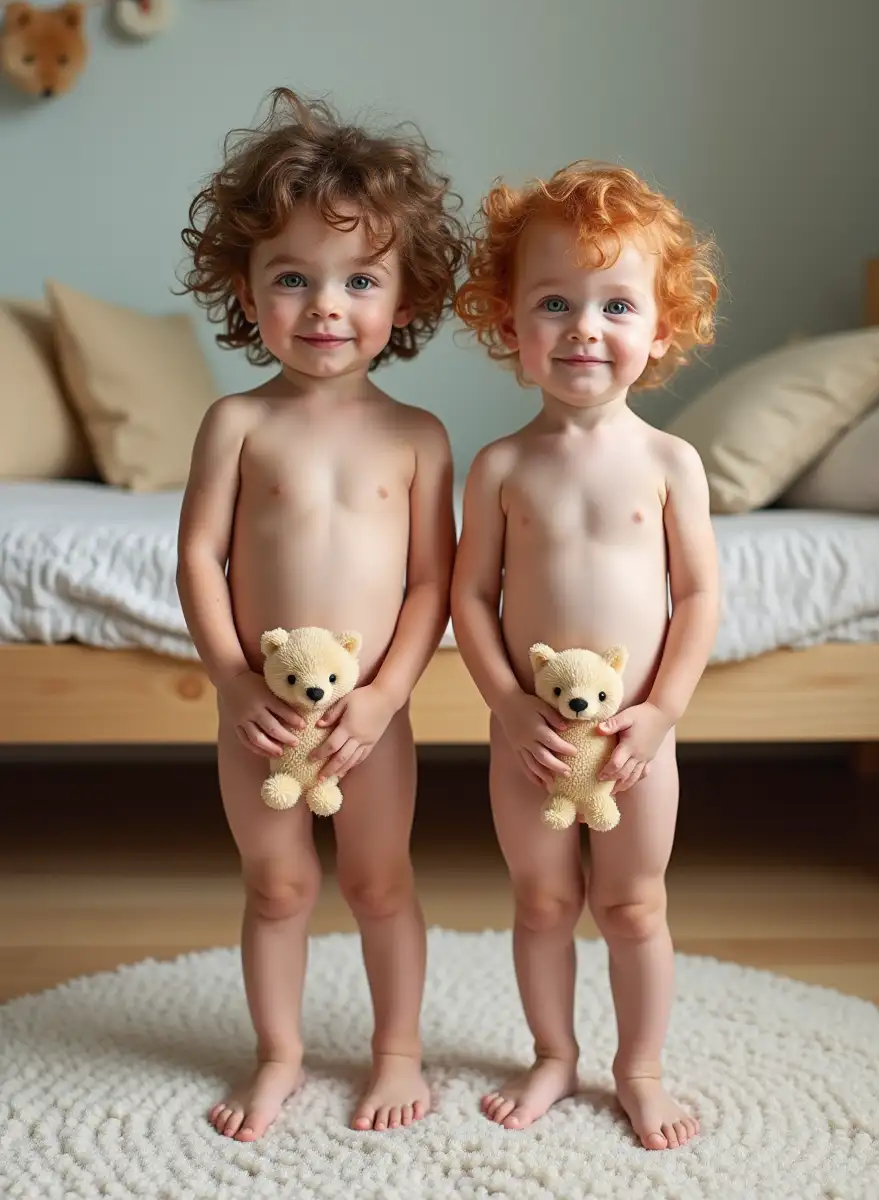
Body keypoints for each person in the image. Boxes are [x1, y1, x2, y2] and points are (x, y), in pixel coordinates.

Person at [176, 88, 465, 1141]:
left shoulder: (420, 437)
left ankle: (396, 1048)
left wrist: (388, 694)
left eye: (359, 279)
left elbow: (434, 580)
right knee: (277, 884)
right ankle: (280, 1052)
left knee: (381, 881)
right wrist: (232, 677)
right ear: (246, 291)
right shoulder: (238, 421)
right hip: (259, 714)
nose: (324, 306)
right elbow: (199, 558)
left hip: (369, 721)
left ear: (406, 292)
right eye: (291, 277)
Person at [451, 162, 719, 1150]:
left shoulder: (668, 463)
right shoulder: (501, 467)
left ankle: (638, 1065)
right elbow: (469, 596)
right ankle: (552, 1049)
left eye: (615, 304)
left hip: (637, 738)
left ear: (659, 329)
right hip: (527, 738)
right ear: (509, 326)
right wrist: (508, 703)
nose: (582, 327)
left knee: (633, 899)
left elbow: (696, 596)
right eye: (553, 302)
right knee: (542, 896)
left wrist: (661, 710)